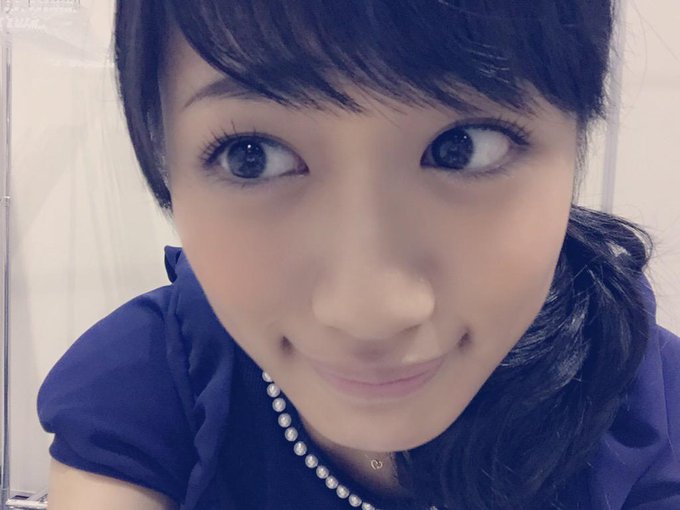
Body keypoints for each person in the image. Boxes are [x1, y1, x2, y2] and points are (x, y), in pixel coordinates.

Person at [37, 1, 680, 509]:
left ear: (575, 143)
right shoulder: (147, 386)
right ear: (164, 159)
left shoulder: (650, 412)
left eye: (463, 147)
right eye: (252, 156)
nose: (369, 312)